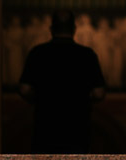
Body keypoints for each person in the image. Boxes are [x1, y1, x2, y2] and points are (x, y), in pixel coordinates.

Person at [19, 9, 107, 153]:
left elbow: (24, 89)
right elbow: (99, 93)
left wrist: (41, 99)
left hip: (45, 128)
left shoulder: (37, 53)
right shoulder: (87, 55)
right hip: (77, 129)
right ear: (74, 29)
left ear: (51, 29)